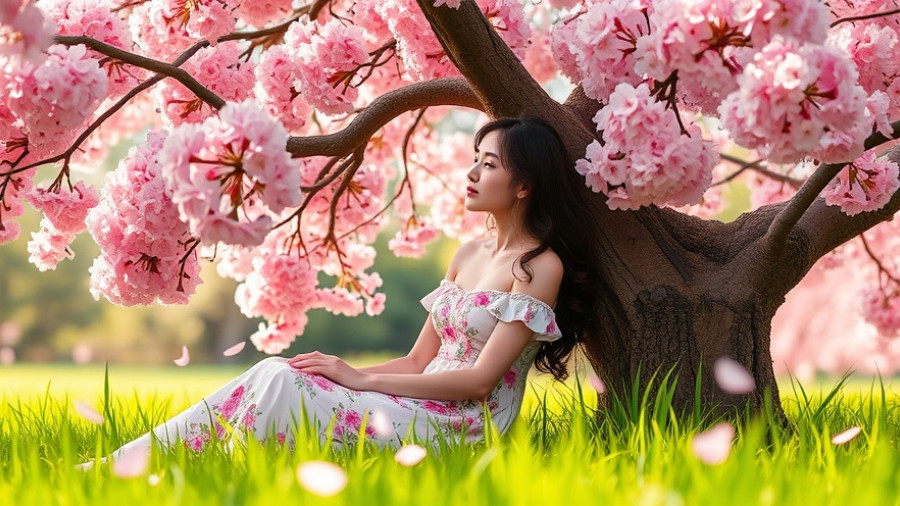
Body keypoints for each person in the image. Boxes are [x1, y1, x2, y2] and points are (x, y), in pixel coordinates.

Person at [84, 116, 597, 465]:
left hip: (461, 426)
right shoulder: (467, 255)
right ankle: (125, 465)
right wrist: (347, 373)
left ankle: (208, 474)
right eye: (476, 159)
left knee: (288, 387)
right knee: (277, 370)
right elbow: (419, 359)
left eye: (489, 164)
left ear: (524, 185)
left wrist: (360, 380)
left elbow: (479, 383)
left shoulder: (538, 267)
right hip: (417, 402)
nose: (471, 173)